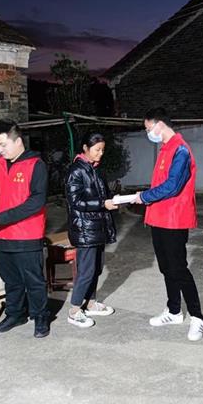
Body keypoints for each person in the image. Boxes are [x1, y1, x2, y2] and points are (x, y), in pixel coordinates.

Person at [134, 108, 203, 342]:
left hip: (174, 219)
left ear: (160, 125)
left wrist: (144, 196)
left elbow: (173, 186)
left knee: (179, 269)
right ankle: (174, 310)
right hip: (158, 218)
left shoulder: (181, 150)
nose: (148, 133)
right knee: (166, 267)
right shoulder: (165, 148)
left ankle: (197, 317)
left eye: (148, 128)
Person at [0, 119, 50, 338]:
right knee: (10, 280)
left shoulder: (36, 165)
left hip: (27, 236)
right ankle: (15, 314)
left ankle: (40, 316)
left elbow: (36, 202)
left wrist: (1, 218)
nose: (0, 149)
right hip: (1, 235)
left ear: (18, 141)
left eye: (3, 144)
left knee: (34, 281)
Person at [65, 132, 118, 328]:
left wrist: (114, 200)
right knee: (86, 271)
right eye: (97, 150)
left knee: (96, 268)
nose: (100, 153)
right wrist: (103, 204)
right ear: (85, 148)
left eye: (102, 150)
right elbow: (75, 202)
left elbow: (104, 195)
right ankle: (74, 310)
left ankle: (90, 302)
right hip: (85, 229)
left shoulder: (96, 169)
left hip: (98, 226)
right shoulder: (76, 171)